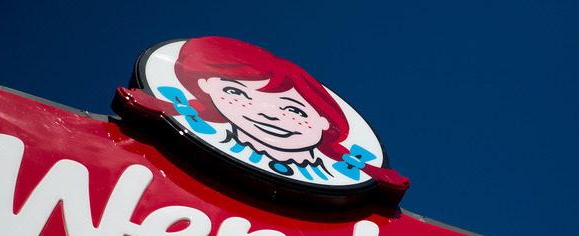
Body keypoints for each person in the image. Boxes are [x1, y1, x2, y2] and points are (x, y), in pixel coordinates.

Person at [115, 37, 408, 193]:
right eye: (237, 94)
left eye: (293, 109)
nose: (268, 114)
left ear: (325, 121)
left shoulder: (341, 171)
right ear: (206, 91)